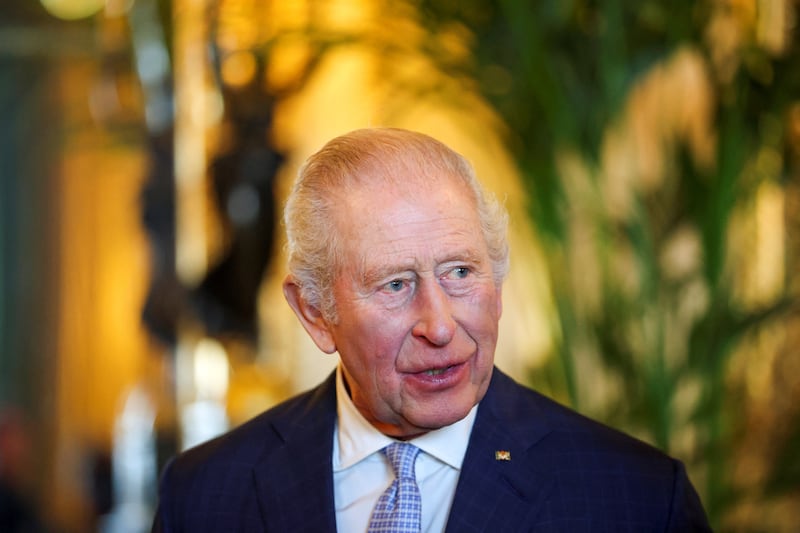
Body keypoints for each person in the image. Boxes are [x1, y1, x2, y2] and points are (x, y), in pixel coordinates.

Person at [151, 128, 710, 532]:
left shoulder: (637, 501)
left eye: (460, 273)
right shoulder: (203, 497)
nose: (440, 327)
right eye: (395, 285)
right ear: (315, 313)